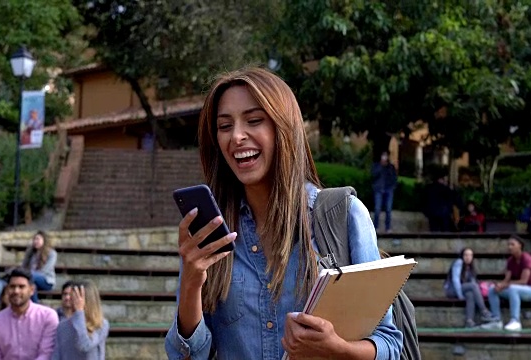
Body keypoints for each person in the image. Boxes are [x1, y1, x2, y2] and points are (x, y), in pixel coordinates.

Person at [165, 67, 403, 359]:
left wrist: (336, 349)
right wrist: (191, 282)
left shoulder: (345, 216)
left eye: (254, 120)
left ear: (285, 129)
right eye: (225, 126)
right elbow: (187, 355)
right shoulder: (211, 231)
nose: (237, 136)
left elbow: (390, 345)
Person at [0, 267, 59, 359]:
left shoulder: (47, 316)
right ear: (7, 289)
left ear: (32, 290)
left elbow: (46, 354)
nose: (16, 291)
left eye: (21, 287)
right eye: (12, 286)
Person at [481, 235, 531, 331]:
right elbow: (507, 279)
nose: (509, 247)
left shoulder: (526, 258)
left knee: (513, 288)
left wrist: (506, 285)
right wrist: (500, 285)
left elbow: (523, 281)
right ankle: (496, 320)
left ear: (520, 246)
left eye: (512, 244)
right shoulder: (510, 260)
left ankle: (515, 321)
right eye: (508, 245)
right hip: (516, 288)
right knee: (492, 289)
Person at [52, 280, 109, 360]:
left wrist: (79, 312)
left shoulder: (101, 324)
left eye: (75, 297)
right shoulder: (62, 326)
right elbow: (56, 355)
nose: (71, 300)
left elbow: (85, 345)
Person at [443, 248, 495, 328]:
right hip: (452, 289)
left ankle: (469, 321)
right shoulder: (459, 262)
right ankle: (484, 311)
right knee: (473, 286)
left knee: (470, 294)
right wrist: (460, 295)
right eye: (466, 255)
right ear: (462, 256)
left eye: (470, 255)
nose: (468, 257)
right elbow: (455, 280)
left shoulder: (470, 267)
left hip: (464, 289)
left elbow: (473, 281)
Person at [21, 231, 58, 303]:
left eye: (38, 239)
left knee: (30, 276)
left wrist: (29, 274)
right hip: (31, 279)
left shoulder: (52, 253)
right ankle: (35, 305)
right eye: (34, 239)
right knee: (32, 286)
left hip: (46, 281)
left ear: (44, 241)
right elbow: (23, 267)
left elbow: (45, 270)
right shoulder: (30, 252)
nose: (35, 241)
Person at [371, 151, 398, 232]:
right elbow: (373, 175)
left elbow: (394, 177)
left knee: (388, 209)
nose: (384, 157)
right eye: (383, 156)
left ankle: (388, 227)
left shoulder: (390, 167)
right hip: (379, 189)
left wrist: (392, 187)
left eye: (386, 156)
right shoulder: (376, 165)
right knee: (377, 208)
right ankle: (375, 227)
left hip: (388, 189)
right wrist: (381, 166)